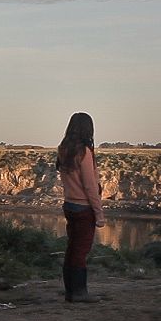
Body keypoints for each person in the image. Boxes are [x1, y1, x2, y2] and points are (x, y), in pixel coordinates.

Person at [56, 111, 105, 303]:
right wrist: (99, 213)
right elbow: (90, 186)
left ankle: (71, 291)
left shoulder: (64, 149)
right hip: (84, 208)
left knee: (72, 248)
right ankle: (78, 293)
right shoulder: (84, 152)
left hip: (69, 204)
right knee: (81, 250)